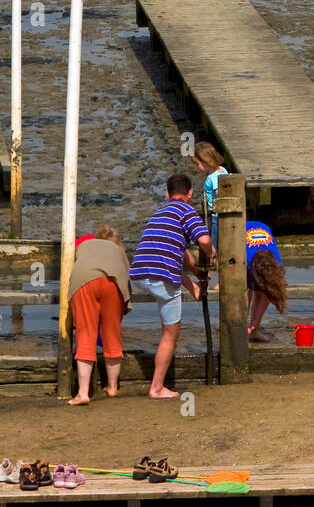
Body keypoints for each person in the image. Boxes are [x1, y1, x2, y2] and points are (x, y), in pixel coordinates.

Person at [129, 174, 215, 398]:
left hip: (139, 272)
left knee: (168, 284)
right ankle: (157, 388)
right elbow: (204, 241)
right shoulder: (187, 211)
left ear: (167, 194)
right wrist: (212, 254)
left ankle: (192, 288)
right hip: (162, 275)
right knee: (170, 333)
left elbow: (180, 251)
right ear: (190, 193)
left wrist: (194, 272)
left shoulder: (159, 214)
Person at [67, 225, 131, 406]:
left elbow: (70, 262)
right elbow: (126, 278)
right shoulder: (118, 250)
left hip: (85, 278)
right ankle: (112, 387)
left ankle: (83, 393)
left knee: (85, 334)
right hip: (114, 280)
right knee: (112, 334)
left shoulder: (85, 242)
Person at [245, 221, 288, 342]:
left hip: (263, 227)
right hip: (240, 230)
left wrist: (255, 322)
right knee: (245, 291)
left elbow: (270, 290)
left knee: (264, 290)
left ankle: (254, 331)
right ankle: (241, 330)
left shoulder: (277, 262)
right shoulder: (246, 261)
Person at [193, 141, 228, 243]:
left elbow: (220, 194)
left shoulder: (212, 178)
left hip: (216, 216)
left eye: (197, 164)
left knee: (215, 243)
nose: (197, 167)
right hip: (223, 215)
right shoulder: (222, 169)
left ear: (206, 162)